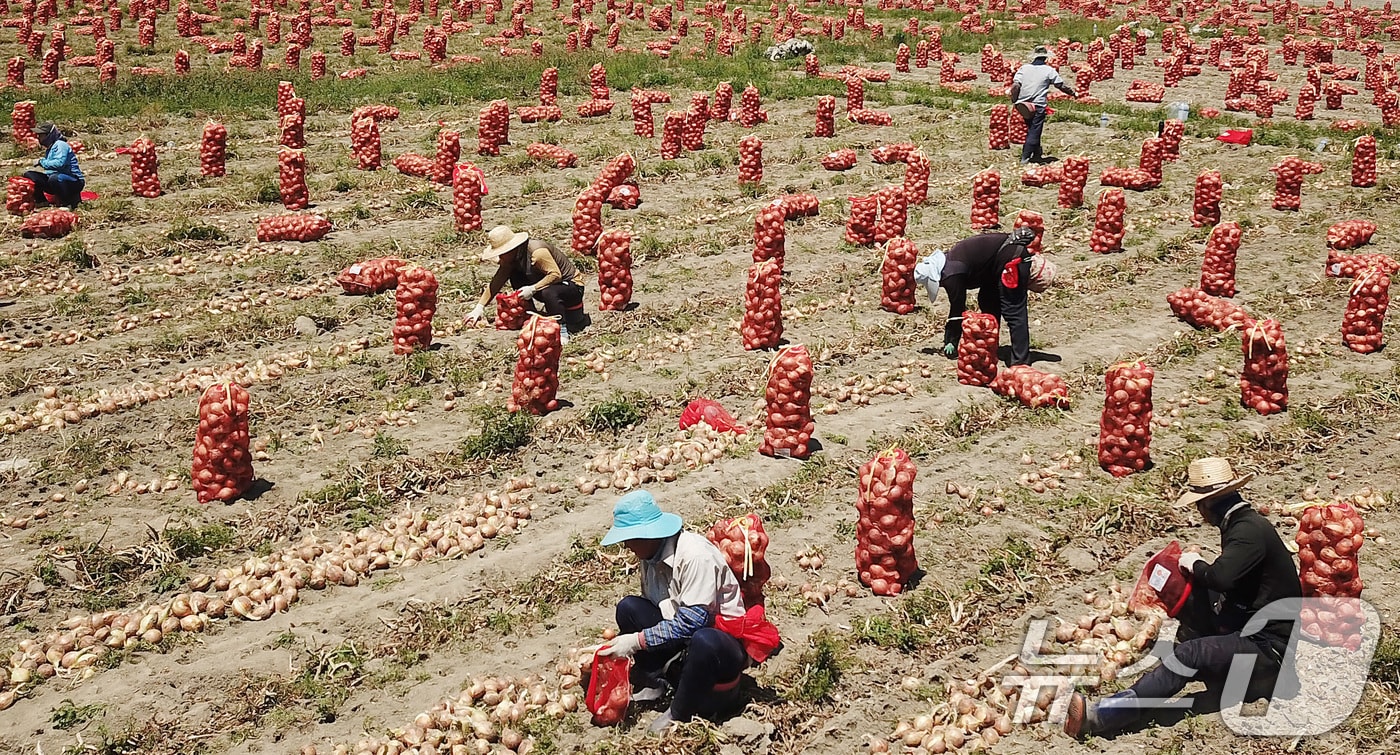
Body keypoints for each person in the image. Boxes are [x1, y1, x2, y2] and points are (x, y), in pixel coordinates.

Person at [1064, 457, 1301, 738]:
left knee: (1190, 654)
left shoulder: (1247, 532)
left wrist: (1196, 563)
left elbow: (1221, 578)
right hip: (1249, 625)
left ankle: (1101, 717)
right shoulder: (1241, 524)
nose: (1199, 513)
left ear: (1208, 503)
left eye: (1199, 505)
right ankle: (1209, 666)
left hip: (1268, 649)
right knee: (1190, 592)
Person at [596, 491, 781, 735]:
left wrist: (635, 641)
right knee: (629, 608)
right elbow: (661, 611)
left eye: (629, 539)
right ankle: (658, 683)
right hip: (685, 642)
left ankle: (679, 712)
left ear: (647, 534)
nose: (626, 546)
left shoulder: (695, 556)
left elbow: (693, 622)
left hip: (719, 647)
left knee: (704, 640)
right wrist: (628, 642)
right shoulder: (649, 556)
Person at [915, 227, 1057, 367]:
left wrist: (951, 340)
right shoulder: (949, 262)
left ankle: (1020, 361)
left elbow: (957, 310)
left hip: (1012, 259)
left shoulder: (952, 275)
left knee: (1013, 310)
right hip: (995, 267)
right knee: (987, 301)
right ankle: (990, 346)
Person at [466, 225, 587, 343]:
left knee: (548, 292)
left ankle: (561, 330)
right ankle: (529, 315)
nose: (500, 257)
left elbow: (555, 275)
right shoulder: (511, 259)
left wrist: (533, 288)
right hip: (550, 287)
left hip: (571, 287)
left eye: (502, 253)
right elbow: (497, 281)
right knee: (516, 276)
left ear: (512, 248)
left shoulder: (537, 253)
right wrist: (479, 307)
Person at [1010, 46, 1077, 165]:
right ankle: (1025, 157)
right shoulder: (1049, 70)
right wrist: (1072, 93)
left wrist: (1014, 100)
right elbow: (1060, 85)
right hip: (1038, 106)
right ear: (1045, 58)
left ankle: (1037, 154)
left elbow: (1015, 86)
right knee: (1034, 131)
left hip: (1023, 105)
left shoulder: (1024, 68)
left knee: (1031, 128)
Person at [23, 122, 85, 209]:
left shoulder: (60, 145)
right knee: (30, 175)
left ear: (49, 135)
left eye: (41, 135)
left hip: (73, 181)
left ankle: (66, 203)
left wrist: (41, 162)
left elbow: (59, 164)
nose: (38, 137)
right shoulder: (50, 148)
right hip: (56, 180)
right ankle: (41, 201)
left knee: (54, 178)